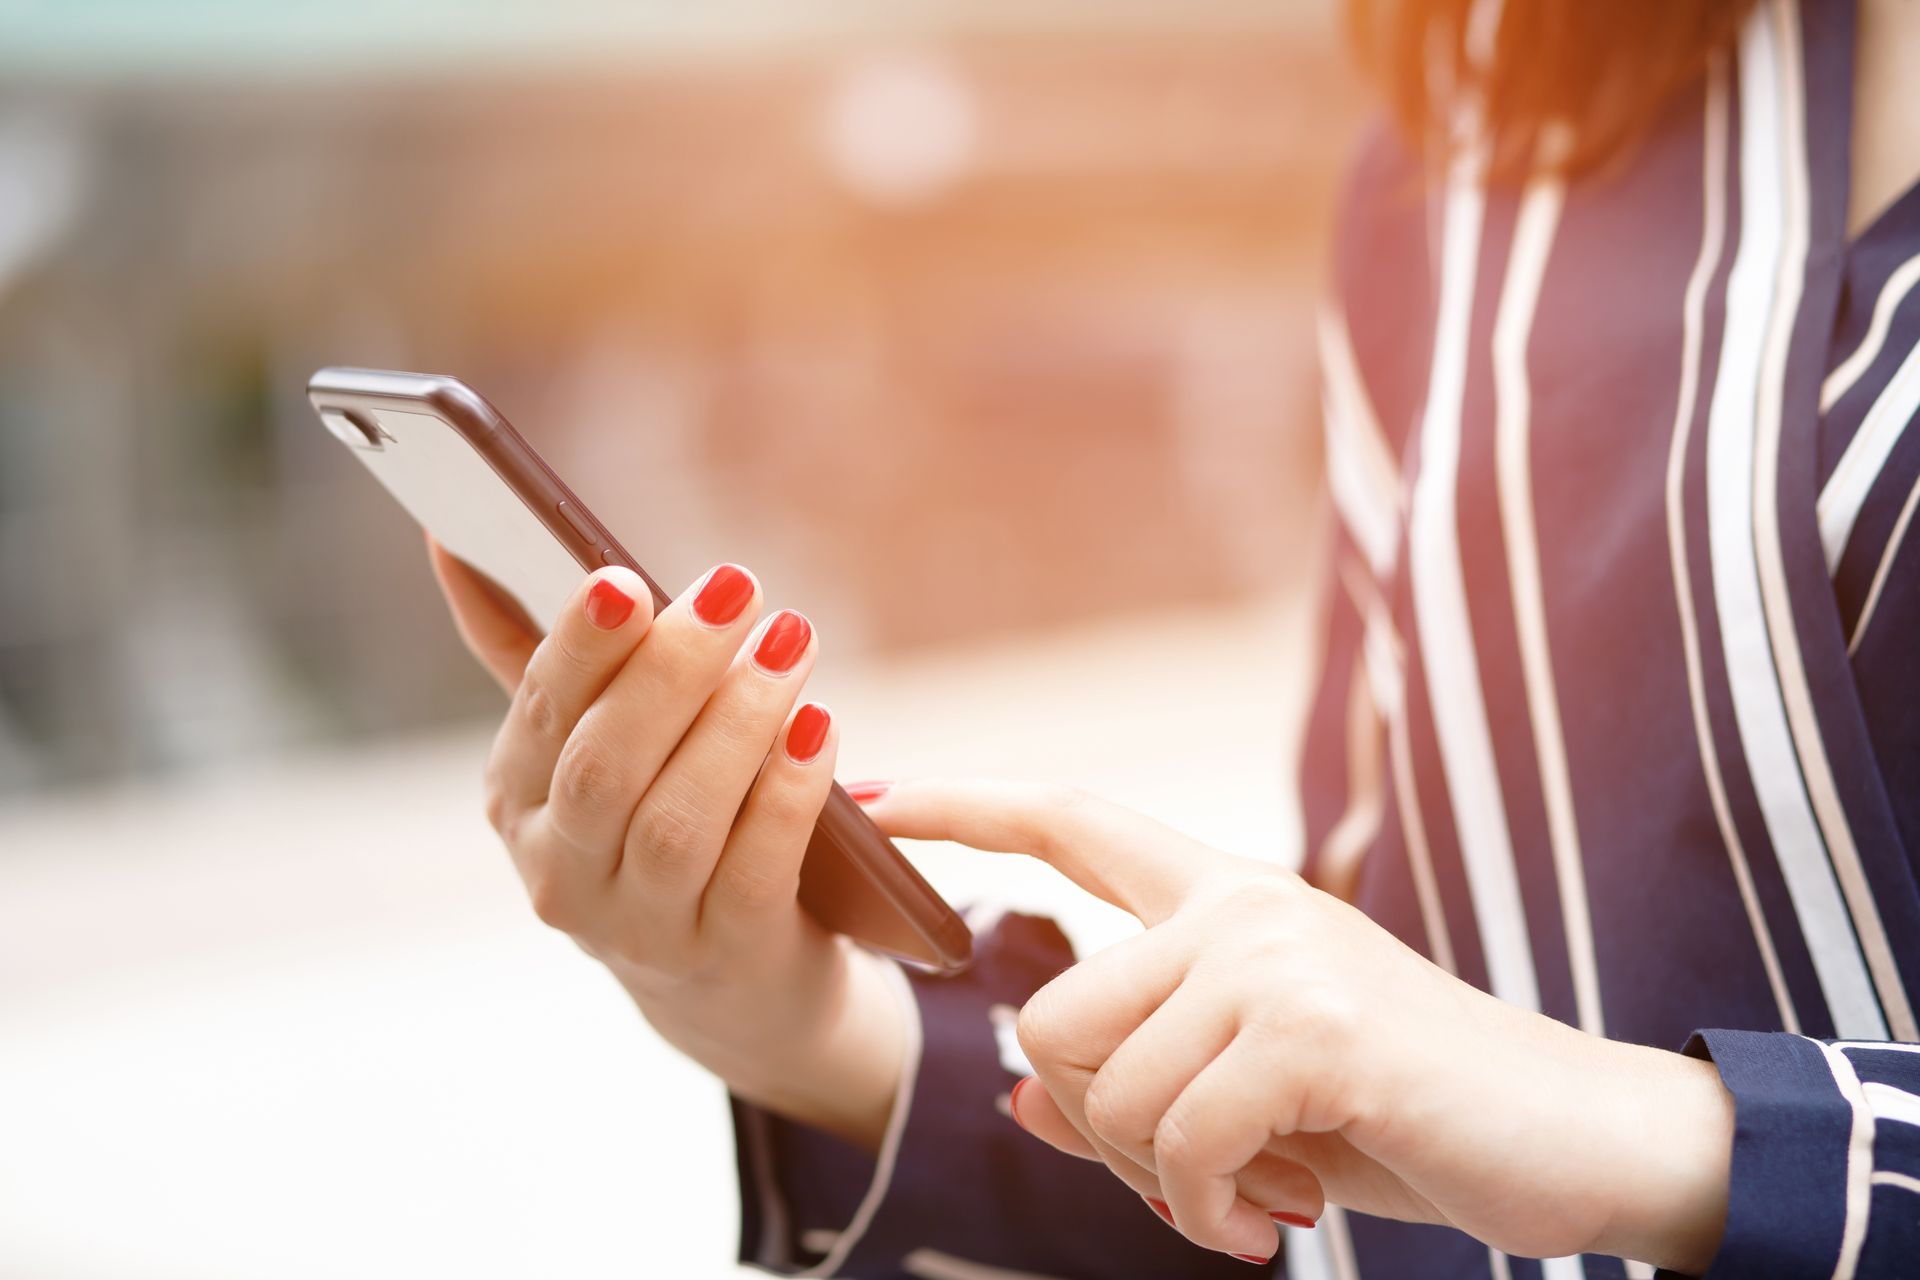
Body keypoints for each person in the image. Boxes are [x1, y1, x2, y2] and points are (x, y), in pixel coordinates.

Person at [426, 0, 1920, 1274]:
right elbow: (1363, 1168)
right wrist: (799, 1026)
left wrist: (1682, 1145)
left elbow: (1505, 1104)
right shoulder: (1495, 115)